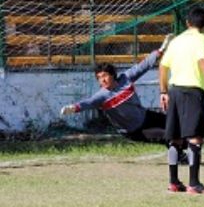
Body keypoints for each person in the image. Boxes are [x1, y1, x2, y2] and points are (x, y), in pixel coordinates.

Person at [60, 35, 187, 164]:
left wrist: (159, 51)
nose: (102, 80)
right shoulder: (102, 96)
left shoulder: (125, 79)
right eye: (99, 78)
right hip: (134, 130)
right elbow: (88, 103)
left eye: (105, 76)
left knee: (175, 123)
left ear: (113, 75)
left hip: (145, 116)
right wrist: (74, 108)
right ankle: (181, 156)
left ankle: (185, 148)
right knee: (168, 135)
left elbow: (143, 65)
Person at [159, 6, 204, 195]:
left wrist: (163, 91)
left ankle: (173, 182)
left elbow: (162, 66)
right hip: (192, 91)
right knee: (195, 137)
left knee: (175, 137)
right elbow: (203, 61)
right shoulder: (202, 39)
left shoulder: (176, 41)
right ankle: (193, 184)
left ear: (187, 23)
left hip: (174, 91)